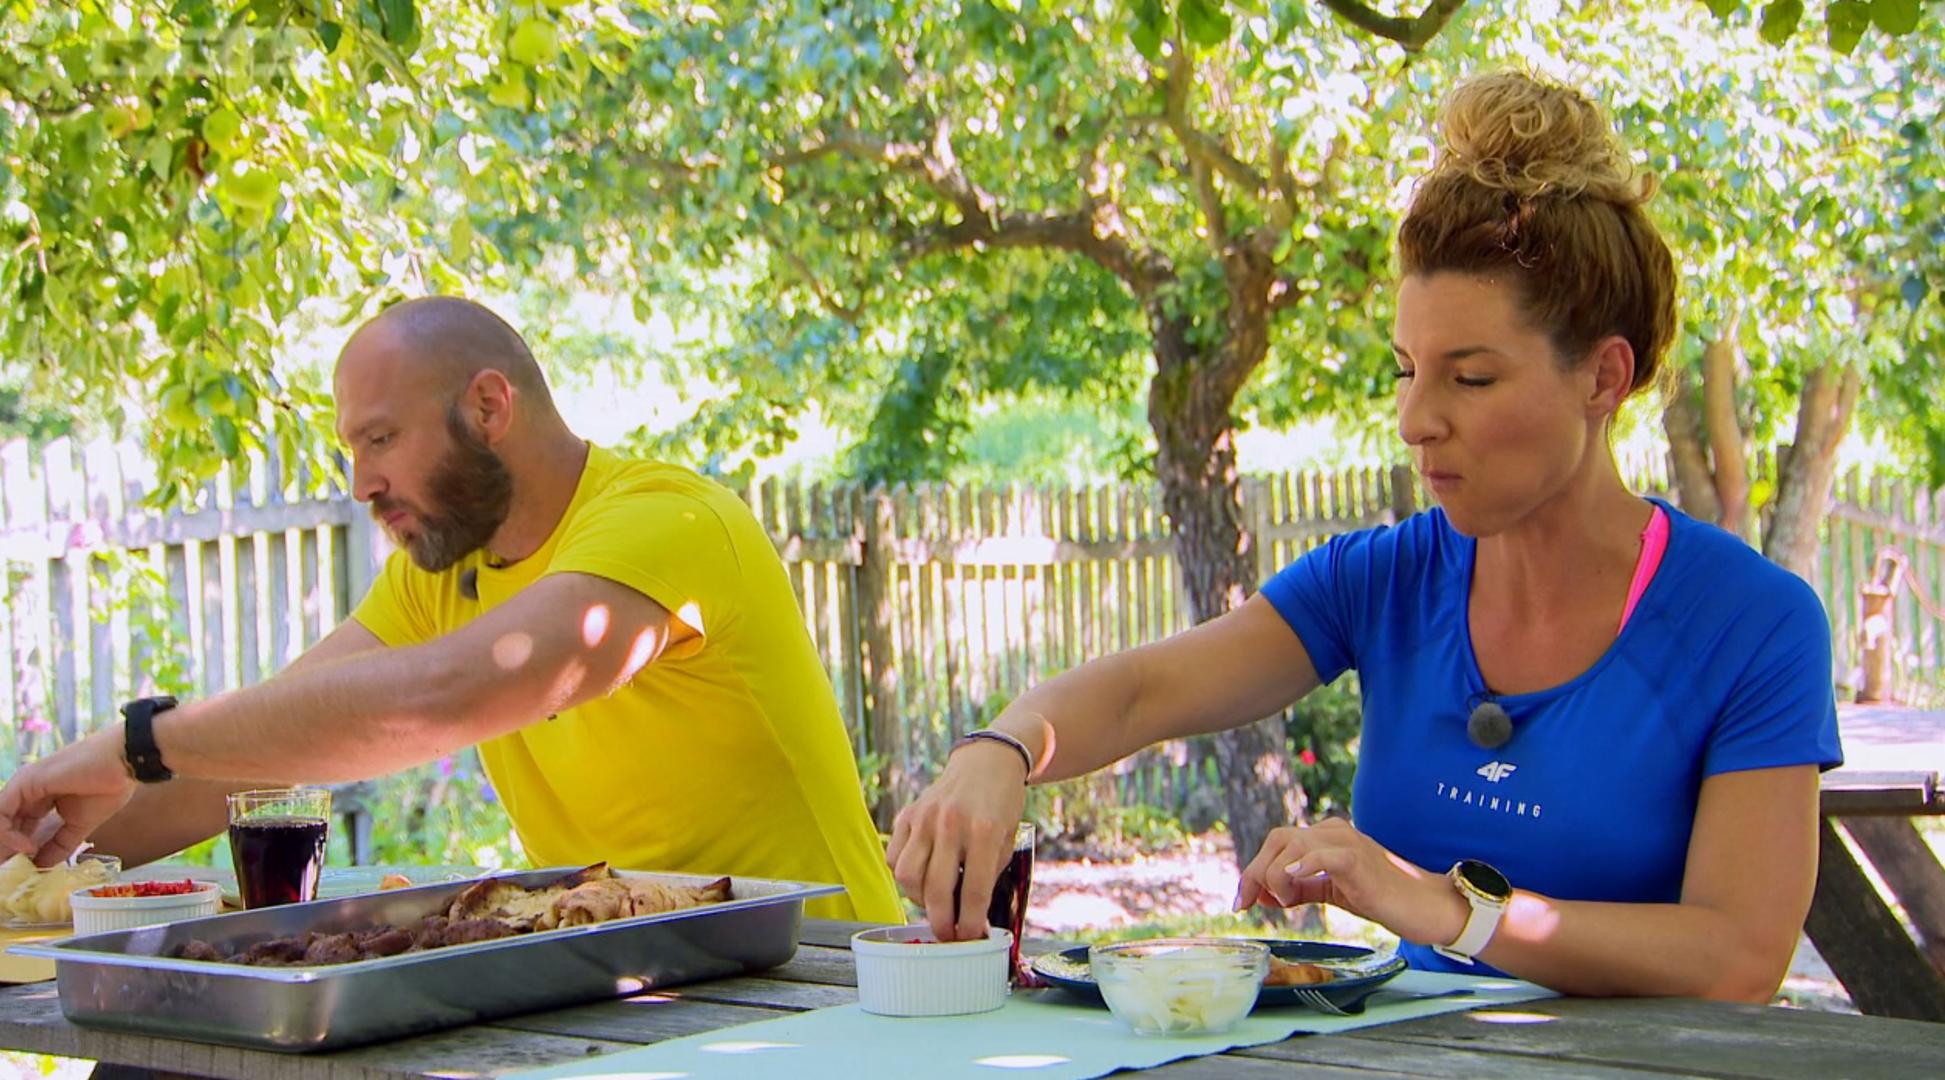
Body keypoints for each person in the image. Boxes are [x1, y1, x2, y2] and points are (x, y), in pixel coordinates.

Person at [887, 71, 1840, 1000]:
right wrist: (1000, 749)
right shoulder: (1381, 581)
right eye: (1404, 370)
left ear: (1602, 379)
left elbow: (1738, 958)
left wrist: (1443, 908)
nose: (1414, 420)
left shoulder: (1752, 623)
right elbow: (1143, 693)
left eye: (1469, 379)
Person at [0, 296, 903, 923]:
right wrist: (29, 849)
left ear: (487, 407)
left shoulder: (669, 523)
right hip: (635, 983)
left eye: (381, 438)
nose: (362, 483)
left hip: (817, 988)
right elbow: (256, 762)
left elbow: (446, 694)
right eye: (352, 450)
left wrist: (139, 740)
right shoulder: (443, 573)